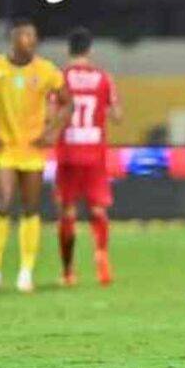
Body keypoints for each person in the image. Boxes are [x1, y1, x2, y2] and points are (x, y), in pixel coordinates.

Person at [0, 18, 71, 293]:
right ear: (13, 39)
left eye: (33, 37)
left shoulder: (45, 70)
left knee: (31, 209)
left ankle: (25, 273)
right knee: (3, 204)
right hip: (6, 150)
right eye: (25, 37)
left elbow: (69, 102)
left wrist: (52, 131)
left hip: (33, 150)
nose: (30, 42)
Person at [55, 27, 122, 287]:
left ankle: (68, 271)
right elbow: (117, 115)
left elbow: (52, 113)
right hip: (94, 151)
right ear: (89, 49)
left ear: (68, 49)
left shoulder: (61, 78)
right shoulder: (103, 78)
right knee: (97, 208)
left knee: (67, 210)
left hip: (69, 150)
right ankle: (101, 253)